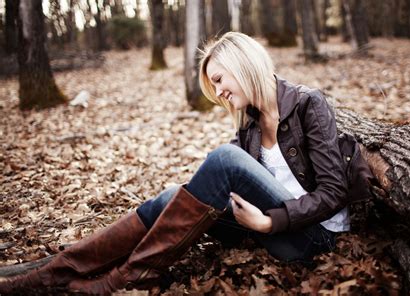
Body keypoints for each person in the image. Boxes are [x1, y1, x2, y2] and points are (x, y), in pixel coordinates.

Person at [0, 32, 370, 295]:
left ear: (244, 64)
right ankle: (55, 273)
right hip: (267, 231)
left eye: (220, 80)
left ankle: (127, 277)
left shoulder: (308, 104)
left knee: (224, 159)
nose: (219, 92)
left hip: (313, 239)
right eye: (214, 85)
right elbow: (212, 185)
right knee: (174, 194)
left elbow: (334, 191)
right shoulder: (251, 121)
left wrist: (270, 221)